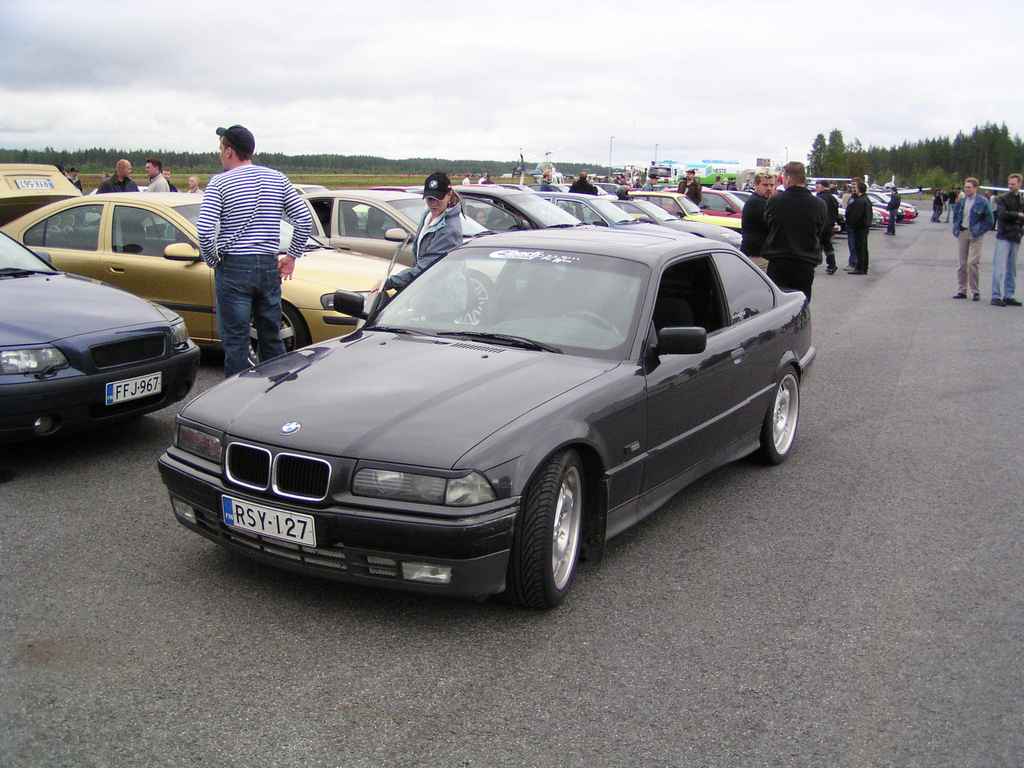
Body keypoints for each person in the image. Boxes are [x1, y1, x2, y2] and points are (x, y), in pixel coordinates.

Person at [196, 124, 312, 377]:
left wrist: (212, 260)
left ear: (229, 151)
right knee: (271, 335)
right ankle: (276, 388)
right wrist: (291, 257)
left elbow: (204, 230)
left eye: (220, 148)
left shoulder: (220, 183)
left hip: (234, 268)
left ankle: (238, 394)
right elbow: (304, 219)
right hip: (269, 265)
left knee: (236, 340)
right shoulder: (277, 178)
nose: (220, 154)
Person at [382, 172, 462, 292]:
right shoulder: (427, 215)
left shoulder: (450, 230)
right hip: (427, 286)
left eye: (438, 199)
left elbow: (427, 267)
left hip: (444, 291)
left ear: (449, 194)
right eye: (430, 199)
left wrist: (390, 282)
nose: (433, 204)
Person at [762, 162, 827, 302]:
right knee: (801, 303)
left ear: (788, 178)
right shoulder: (819, 204)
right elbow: (820, 231)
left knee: (779, 305)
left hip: (779, 262)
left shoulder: (775, 201)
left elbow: (768, 225)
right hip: (805, 263)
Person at [951, 177, 994, 301]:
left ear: (975, 188)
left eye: (969, 187)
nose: (967, 189)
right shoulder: (961, 201)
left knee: (972, 263)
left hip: (976, 234)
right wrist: (956, 227)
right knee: (962, 264)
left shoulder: (983, 201)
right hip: (963, 232)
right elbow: (956, 215)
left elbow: (989, 220)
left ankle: (975, 291)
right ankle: (962, 290)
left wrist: (980, 230)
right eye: (965, 187)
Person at [990, 173, 1024, 307]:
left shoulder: (1021, 199)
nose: (1010, 186)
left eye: (1013, 184)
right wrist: (1018, 215)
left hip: (1016, 236)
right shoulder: (1002, 198)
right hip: (1004, 236)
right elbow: (1002, 215)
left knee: (1012, 268)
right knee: (999, 267)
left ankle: (1009, 295)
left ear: (1020, 184)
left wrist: (1020, 229)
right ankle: (996, 295)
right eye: (1009, 184)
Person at [740, 172, 773, 262]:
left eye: (771, 185)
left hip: (758, 254)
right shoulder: (757, 202)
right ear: (756, 185)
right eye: (765, 185)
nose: (769, 188)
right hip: (756, 256)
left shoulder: (763, 201)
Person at [845, 181, 873, 274]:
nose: (853, 189)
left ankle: (860, 268)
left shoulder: (860, 201)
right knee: (863, 248)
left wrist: (850, 223)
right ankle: (863, 267)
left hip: (859, 227)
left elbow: (856, 216)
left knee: (860, 248)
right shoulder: (865, 199)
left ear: (859, 189)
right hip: (864, 227)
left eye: (855, 188)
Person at [815, 180, 840, 274]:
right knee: (827, 245)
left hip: (821, 225)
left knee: (815, 245)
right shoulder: (832, 198)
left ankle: (813, 264)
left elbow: (817, 213)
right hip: (829, 226)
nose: (816, 188)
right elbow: (836, 212)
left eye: (817, 186)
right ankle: (832, 265)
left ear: (823, 187)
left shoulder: (820, 198)